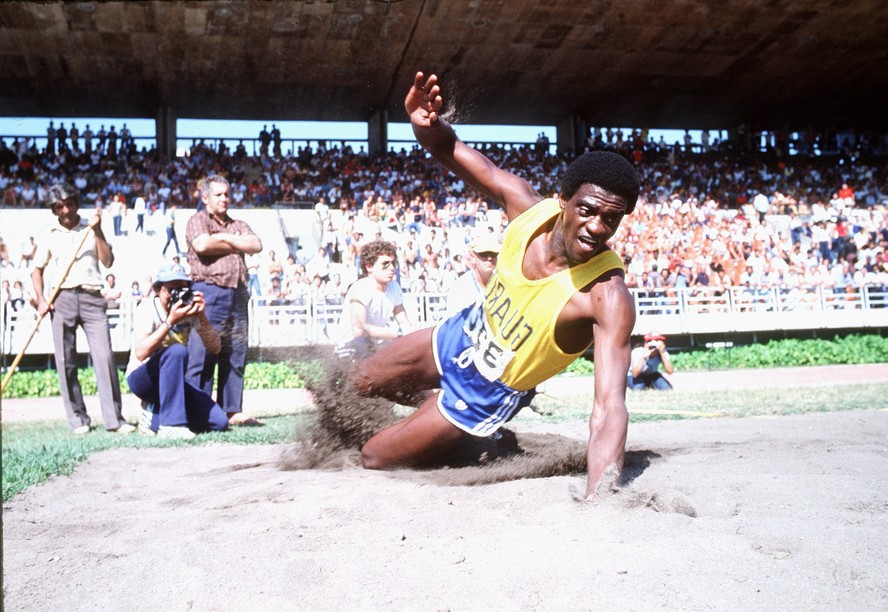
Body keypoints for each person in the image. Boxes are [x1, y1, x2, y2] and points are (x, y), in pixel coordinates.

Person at [347, 72, 640, 500]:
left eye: (610, 219)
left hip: (487, 390)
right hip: (456, 335)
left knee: (373, 456)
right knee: (361, 381)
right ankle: (437, 412)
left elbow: (609, 406)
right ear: (563, 200)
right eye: (588, 210)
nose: (596, 227)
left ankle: (470, 435)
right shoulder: (524, 207)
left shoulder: (606, 296)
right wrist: (422, 120)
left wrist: (601, 493)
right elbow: (450, 149)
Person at [30, 183, 134, 434]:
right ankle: (78, 419)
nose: (66, 210)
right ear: (54, 209)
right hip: (61, 298)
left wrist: (97, 229)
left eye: (69, 204)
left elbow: (107, 262)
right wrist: (41, 300)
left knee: (105, 357)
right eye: (59, 206)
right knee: (66, 361)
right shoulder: (49, 234)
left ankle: (114, 420)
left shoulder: (91, 226)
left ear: (76, 202)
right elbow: (37, 271)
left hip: (92, 297)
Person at [185, 175, 263, 426]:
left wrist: (223, 238)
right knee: (202, 353)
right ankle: (197, 410)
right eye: (218, 195)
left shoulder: (238, 222)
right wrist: (234, 240)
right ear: (205, 198)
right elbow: (202, 245)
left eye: (227, 194)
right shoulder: (197, 220)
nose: (224, 199)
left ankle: (232, 410)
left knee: (235, 352)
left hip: (237, 294)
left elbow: (255, 244)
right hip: (208, 291)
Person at [125, 265, 229, 439]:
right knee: (177, 351)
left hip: (173, 381)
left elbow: (215, 347)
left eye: (182, 288)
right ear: (158, 290)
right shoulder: (147, 308)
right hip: (143, 378)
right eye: (171, 289)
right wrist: (170, 321)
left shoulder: (187, 309)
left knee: (219, 422)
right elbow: (140, 353)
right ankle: (170, 425)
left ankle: (153, 415)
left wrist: (202, 316)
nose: (176, 294)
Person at [334, 240, 413, 360]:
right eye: (385, 264)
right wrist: (399, 334)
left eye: (393, 263)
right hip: (349, 347)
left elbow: (404, 322)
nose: (391, 268)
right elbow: (359, 329)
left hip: (374, 345)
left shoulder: (394, 287)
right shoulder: (360, 288)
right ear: (369, 267)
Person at [444, 234, 500, 316]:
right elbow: (453, 322)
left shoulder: (505, 284)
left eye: (493, 254)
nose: (489, 258)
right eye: (484, 254)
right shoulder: (459, 287)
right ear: (473, 256)